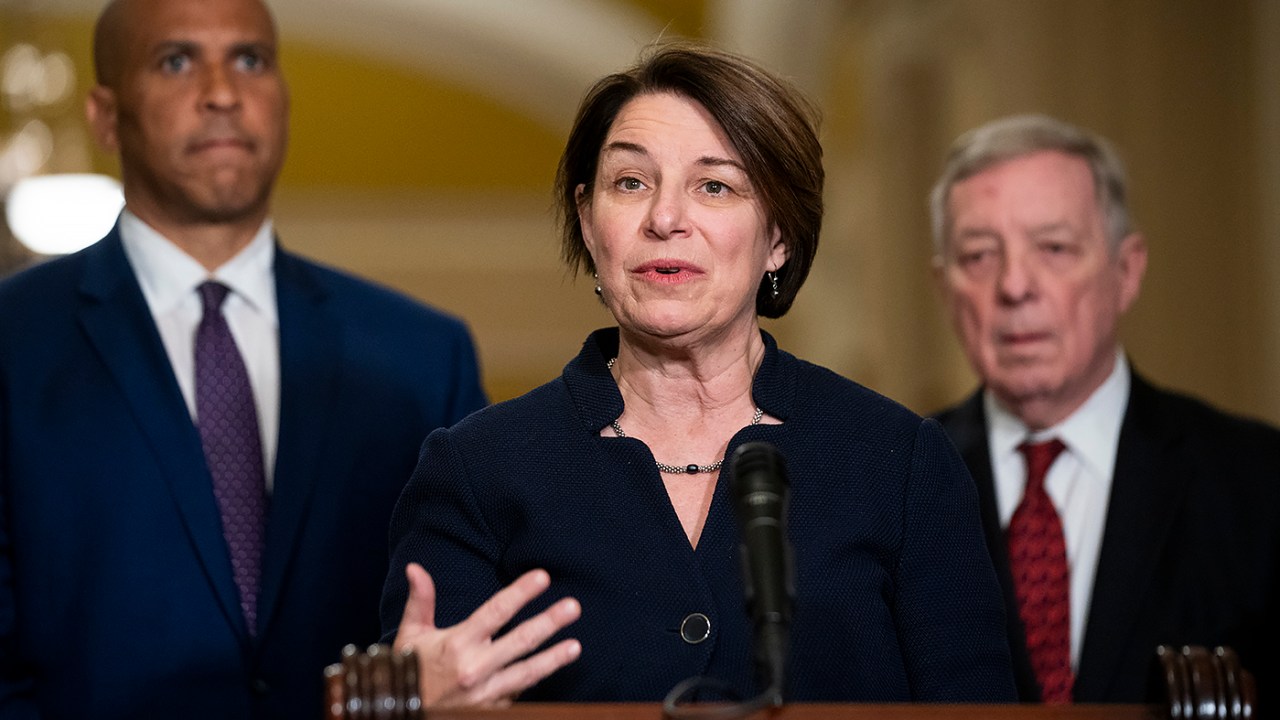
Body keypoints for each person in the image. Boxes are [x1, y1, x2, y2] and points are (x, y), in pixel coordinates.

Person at [379, 41, 1016, 708]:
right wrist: (408, 705)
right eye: (631, 183)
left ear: (779, 238)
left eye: (714, 185)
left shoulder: (900, 464)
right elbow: (420, 682)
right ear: (590, 224)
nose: (664, 218)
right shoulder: (478, 471)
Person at [0, 0, 487, 717]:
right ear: (105, 117)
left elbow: (462, 633)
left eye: (250, 60)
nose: (222, 92)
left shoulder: (422, 356)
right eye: (176, 60)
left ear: (283, 100)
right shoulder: (14, 340)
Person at [929, 113, 1280, 703]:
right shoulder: (897, 483)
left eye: (1055, 247)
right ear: (946, 289)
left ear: (1126, 271)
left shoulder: (1258, 482)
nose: (1015, 286)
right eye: (980, 256)